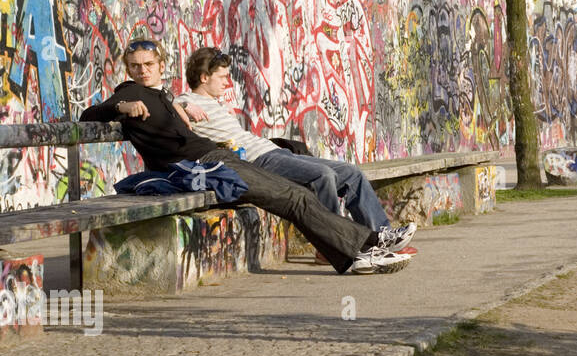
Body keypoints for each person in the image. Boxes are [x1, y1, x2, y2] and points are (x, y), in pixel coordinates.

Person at [79, 39, 412, 275]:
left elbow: (173, 108)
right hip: (205, 169)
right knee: (293, 198)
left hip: (219, 159)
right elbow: (90, 114)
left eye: (148, 65)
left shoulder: (162, 94)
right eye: (135, 66)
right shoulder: (131, 92)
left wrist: (178, 107)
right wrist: (120, 107)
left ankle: (359, 250)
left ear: (160, 65)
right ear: (128, 69)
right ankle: (364, 246)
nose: (141, 71)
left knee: (295, 195)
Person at [176, 47, 415, 252]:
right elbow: (166, 104)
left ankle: (383, 239)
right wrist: (184, 105)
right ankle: (334, 246)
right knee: (323, 175)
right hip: (258, 161)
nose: (227, 82)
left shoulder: (214, 103)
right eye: (222, 77)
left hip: (273, 151)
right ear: (204, 77)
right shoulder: (186, 101)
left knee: (352, 174)